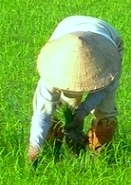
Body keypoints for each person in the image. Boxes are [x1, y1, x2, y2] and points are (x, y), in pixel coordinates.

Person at [27, 16, 123, 166]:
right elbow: (42, 114)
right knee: (62, 108)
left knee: (105, 117)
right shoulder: (52, 71)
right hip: (66, 40)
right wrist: (34, 147)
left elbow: (106, 88)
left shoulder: (108, 62)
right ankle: (54, 150)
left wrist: (82, 112)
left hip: (105, 42)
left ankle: (99, 160)